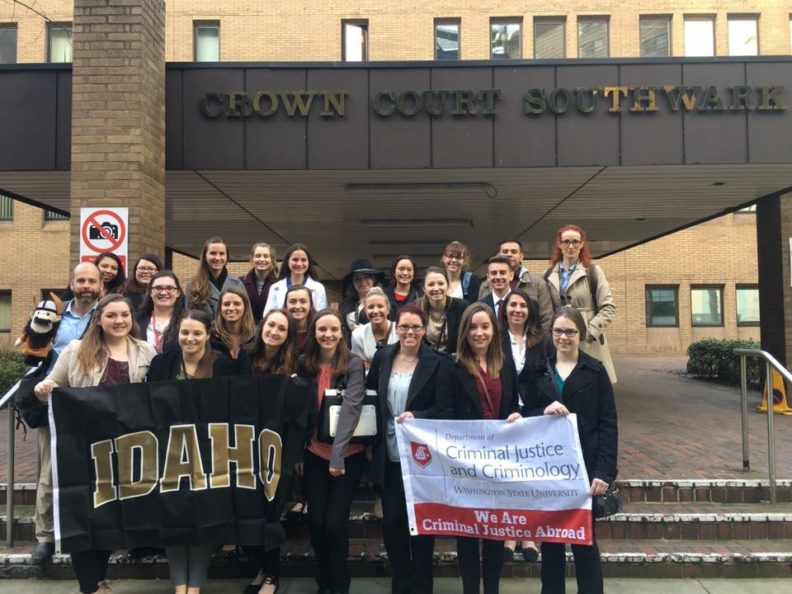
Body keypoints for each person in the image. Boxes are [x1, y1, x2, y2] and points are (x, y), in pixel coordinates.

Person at [33, 294, 155, 594]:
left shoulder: (146, 352)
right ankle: (90, 585)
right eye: (111, 315)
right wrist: (44, 388)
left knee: (111, 517)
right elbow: (51, 388)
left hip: (127, 450)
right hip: (84, 449)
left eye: (124, 315)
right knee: (85, 516)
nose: (119, 321)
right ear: (98, 319)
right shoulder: (76, 351)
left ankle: (100, 578)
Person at [523, 306, 618, 594]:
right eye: (558, 331)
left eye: (570, 332)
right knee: (551, 544)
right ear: (550, 335)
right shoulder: (538, 369)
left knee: (585, 543)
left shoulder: (595, 370)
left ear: (580, 334)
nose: (563, 337)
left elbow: (608, 423)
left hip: (584, 469)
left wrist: (604, 471)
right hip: (549, 469)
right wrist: (543, 409)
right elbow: (523, 413)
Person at [146, 310, 236, 594]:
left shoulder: (221, 366)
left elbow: (233, 407)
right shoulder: (162, 364)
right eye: (185, 332)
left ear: (208, 335)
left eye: (197, 333)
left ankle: (195, 585)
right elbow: (146, 402)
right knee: (174, 516)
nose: (190, 338)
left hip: (209, 454)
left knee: (202, 517)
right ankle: (179, 584)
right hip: (168, 452)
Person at [366, 303, 453, 594]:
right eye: (404, 326)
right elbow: (370, 400)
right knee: (392, 524)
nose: (410, 332)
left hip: (421, 458)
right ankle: (401, 583)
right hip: (387, 453)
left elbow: (445, 409)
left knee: (422, 527)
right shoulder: (383, 358)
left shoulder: (438, 362)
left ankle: (422, 584)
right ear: (396, 328)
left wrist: (419, 417)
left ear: (424, 329)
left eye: (416, 327)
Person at [439, 302, 521, 594]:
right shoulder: (452, 366)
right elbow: (445, 413)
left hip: (498, 461)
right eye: (473, 327)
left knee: (496, 530)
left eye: (485, 326)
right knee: (468, 532)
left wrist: (515, 416)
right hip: (466, 463)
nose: (479, 332)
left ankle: (493, 589)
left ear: (493, 330)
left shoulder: (506, 364)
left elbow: (511, 404)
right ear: (464, 331)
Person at [32, 262, 102, 566]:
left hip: (95, 402)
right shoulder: (53, 316)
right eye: (81, 280)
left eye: (92, 281)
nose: (86, 285)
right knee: (49, 472)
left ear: (101, 285)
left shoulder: (108, 312)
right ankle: (44, 538)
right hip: (56, 401)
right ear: (71, 283)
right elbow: (32, 353)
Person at [296, 309, 366, 594]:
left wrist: (337, 456)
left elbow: (351, 408)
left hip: (347, 455)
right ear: (314, 332)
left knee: (334, 523)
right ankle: (323, 580)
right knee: (316, 521)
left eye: (333, 330)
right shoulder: (305, 363)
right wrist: (298, 454)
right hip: (314, 452)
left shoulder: (352, 364)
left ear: (342, 333)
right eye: (322, 329)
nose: (328, 335)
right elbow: (299, 410)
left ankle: (339, 584)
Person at [243, 309, 296, 594]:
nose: (275, 331)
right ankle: (261, 567)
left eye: (282, 329)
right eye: (271, 325)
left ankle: (272, 575)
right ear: (262, 326)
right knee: (247, 510)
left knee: (270, 513)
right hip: (243, 446)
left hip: (278, 447)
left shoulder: (293, 363)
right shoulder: (244, 357)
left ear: (288, 335)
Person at [498, 288, 550, 564]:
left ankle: (528, 534)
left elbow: (546, 375)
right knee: (508, 474)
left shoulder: (541, 341)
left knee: (528, 475)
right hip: (504, 413)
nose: (517, 309)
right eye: (512, 305)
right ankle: (509, 534)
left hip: (533, 413)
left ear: (530, 311)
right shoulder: (495, 339)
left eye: (522, 305)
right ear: (504, 309)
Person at [544, 224, 617, 383]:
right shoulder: (548, 274)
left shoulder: (593, 272)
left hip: (587, 343)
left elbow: (608, 308)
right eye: (566, 241)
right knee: (561, 384)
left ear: (582, 244)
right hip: (560, 340)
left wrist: (588, 333)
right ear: (559, 244)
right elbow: (546, 309)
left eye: (575, 242)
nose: (571, 246)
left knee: (588, 386)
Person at [479, 240, 553, 332]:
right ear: (498, 254)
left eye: (513, 251)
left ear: (521, 256)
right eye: (505, 251)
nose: (509, 254)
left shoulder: (538, 283)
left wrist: (539, 342)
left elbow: (546, 318)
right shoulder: (486, 285)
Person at [184, 236, 245, 317]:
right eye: (213, 253)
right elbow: (190, 318)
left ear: (227, 257)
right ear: (205, 256)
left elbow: (246, 316)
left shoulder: (237, 284)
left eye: (222, 253)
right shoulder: (193, 286)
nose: (217, 257)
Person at [264, 243, 327, 314]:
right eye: (295, 259)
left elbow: (320, 316)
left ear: (309, 263)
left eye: (303, 260)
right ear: (288, 262)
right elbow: (268, 315)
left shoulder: (318, 288)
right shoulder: (275, 287)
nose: (299, 264)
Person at [417, 267, 467, 355]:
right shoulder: (417, 308)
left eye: (440, 283)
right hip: (428, 360)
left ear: (447, 285)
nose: (436, 288)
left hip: (454, 361)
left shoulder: (462, 307)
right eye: (431, 284)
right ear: (424, 288)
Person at [137, 270, 184, 355]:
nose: (163, 292)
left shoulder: (186, 321)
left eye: (169, 288)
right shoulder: (137, 321)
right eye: (158, 288)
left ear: (178, 293)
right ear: (151, 292)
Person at [350, 287, 398, 369]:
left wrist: (373, 367)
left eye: (380, 306)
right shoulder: (358, 335)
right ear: (365, 311)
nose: (375, 311)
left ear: (388, 309)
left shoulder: (399, 331)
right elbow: (359, 368)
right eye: (371, 307)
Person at [210, 286, 256, 373]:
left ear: (245, 307)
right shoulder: (211, 337)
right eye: (226, 304)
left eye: (237, 304)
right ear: (220, 308)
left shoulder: (256, 337)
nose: (231, 308)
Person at [339, 259, 385, 337]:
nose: (362, 281)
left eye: (366, 277)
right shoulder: (345, 305)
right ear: (353, 282)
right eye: (357, 278)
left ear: (373, 279)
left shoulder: (383, 301)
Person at [241, 242, 278, 321]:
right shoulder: (240, 282)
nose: (262, 259)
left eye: (266, 256)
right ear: (251, 259)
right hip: (247, 329)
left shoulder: (279, 285)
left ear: (271, 259)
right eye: (258, 256)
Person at [284, 284, 315, 357]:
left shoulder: (318, 330)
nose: (298, 306)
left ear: (310, 305)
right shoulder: (279, 329)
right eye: (292, 302)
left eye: (303, 301)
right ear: (286, 305)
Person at [478, 256, 513, 320]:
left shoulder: (527, 305)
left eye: (502, 273)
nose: (498, 277)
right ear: (488, 277)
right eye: (494, 273)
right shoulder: (479, 306)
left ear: (511, 276)